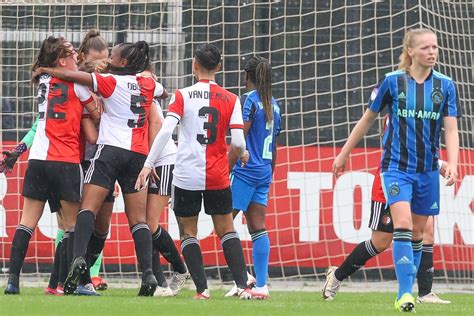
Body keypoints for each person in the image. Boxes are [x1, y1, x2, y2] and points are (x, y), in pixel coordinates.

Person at [332, 28, 460, 312]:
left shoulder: (446, 86)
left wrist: (452, 161)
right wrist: (343, 155)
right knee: (401, 225)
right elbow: (367, 120)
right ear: (410, 51)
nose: (432, 52)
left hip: (427, 171)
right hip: (395, 169)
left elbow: (451, 129)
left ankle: (412, 290)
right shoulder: (392, 82)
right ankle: (405, 295)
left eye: (435, 47)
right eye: (426, 47)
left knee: (417, 233)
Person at [135, 43, 265, 300]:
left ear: (194, 64)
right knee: (227, 229)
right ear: (219, 66)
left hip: (186, 175)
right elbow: (238, 142)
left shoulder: (181, 95)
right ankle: (243, 286)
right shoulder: (231, 99)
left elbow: (165, 131)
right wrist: (242, 154)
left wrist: (148, 164)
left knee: (187, 231)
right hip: (217, 175)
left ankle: (202, 290)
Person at [32, 40, 161, 296]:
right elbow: (162, 93)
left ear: (122, 62)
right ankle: (148, 273)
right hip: (137, 154)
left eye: (113, 54)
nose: (109, 55)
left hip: (109, 152)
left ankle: (79, 261)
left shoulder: (109, 82)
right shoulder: (148, 83)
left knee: (87, 209)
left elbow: (72, 75)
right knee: (138, 220)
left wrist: (46, 70)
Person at [4, 36, 97, 295]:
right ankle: (78, 284)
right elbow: (97, 115)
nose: (77, 56)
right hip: (65, 161)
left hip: (38, 161)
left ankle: (12, 282)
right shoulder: (79, 85)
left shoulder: (43, 82)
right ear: (61, 60)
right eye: (71, 53)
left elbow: (37, 124)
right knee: (73, 226)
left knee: (26, 223)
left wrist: (18, 151)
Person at [323, 161, 451, 304]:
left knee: (426, 231)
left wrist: (439, 163)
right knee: (380, 243)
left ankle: (425, 293)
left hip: (419, 178)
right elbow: (401, 143)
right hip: (392, 177)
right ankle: (337, 275)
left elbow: (425, 143)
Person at [224, 56, 281, 299]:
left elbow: (239, 140)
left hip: (246, 172)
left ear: (247, 76)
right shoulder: (275, 105)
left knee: (224, 224)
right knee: (258, 228)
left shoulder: (249, 101)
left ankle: (242, 279)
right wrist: (270, 173)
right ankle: (261, 286)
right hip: (264, 172)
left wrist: (224, 169)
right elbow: (275, 145)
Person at [139, 66, 190, 297]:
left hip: (163, 162)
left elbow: (158, 126)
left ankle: (180, 270)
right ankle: (157, 281)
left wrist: (150, 160)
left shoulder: (149, 99)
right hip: (151, 163)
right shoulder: (142, 95)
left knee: (150, 223)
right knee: (144, 224)